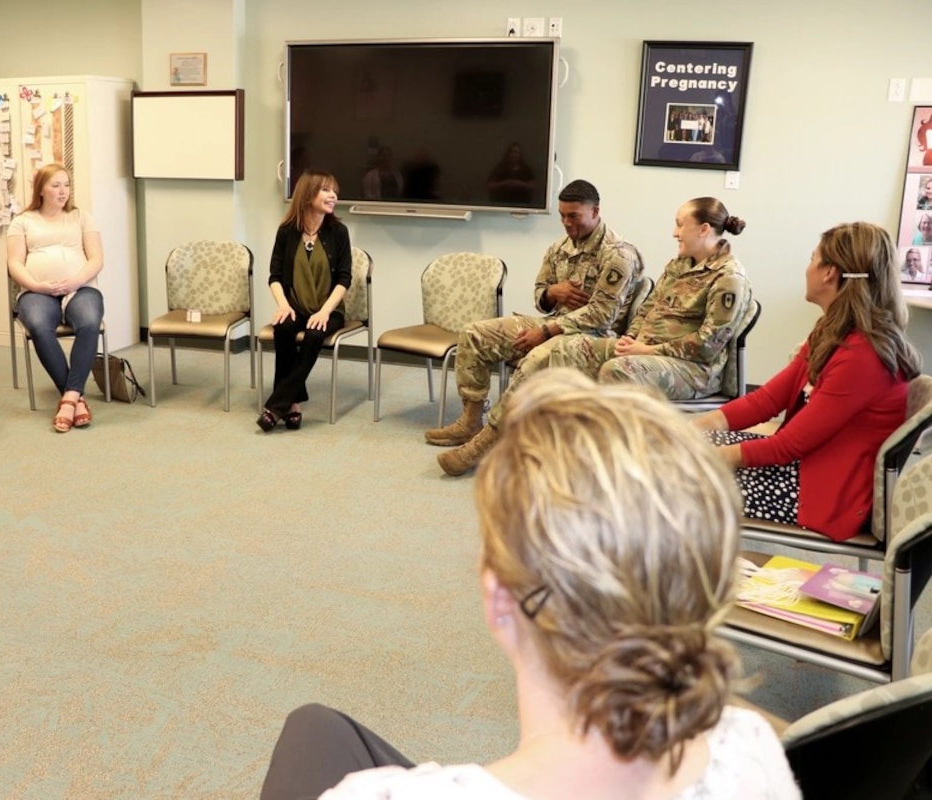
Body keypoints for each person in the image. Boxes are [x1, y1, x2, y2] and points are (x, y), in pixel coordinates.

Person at [259, 369, 800, 800]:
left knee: (312, 730)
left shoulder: (370, 795)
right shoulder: (752, 745)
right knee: (319, 728)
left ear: (499, 597)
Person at [695, 222, 921, 542]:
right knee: (677, 462)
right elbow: (766, 401)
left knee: (678, 481)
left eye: (812, 258)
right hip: (808, 471)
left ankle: (700, 582)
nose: (808, 268)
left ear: (829, 273)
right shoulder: (834, 332)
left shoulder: (862, 355)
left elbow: (787, 446)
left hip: (821, 493)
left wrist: (694, 455)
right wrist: (691, 430)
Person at [430, 179, 644, 475]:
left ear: (595, 211)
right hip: (554, 324)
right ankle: (471, 419)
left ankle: (486, 441)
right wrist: (553, 293)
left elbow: (602, 316)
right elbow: (539, 295)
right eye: (562, 216)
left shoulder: (619, 254)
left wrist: (545, 332)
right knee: (475, 334)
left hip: (594, 337)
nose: (567, 224)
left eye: (574, 216)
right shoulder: (560, 247)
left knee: (536, 356)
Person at [543, 196, 751, 396]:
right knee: (567, 350)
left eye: (680, 225)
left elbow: (707, 344)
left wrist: (649, 350)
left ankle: (616, 432)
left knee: (618, 370)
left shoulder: (728, 277)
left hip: (693, 369)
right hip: (645, 349)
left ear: (704, 229)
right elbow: (648, 308)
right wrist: (631, 338)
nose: (674, 233)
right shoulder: (679, 264)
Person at [6, 163, 104, 433]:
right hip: (37, 290)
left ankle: (69, 399)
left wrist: (76, 280)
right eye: (56, 185)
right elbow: (15, 264)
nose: (63, 191)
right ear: (41, 190)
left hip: (80, 286)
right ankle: (76, 398)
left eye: (66, 185)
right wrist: (37, 285)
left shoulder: (81, 216)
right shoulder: (22, 221)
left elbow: (96, 258)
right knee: (38, 326)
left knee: (89, 322)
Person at [257, 170, 352, 432]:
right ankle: (294, 404)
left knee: (313, 334)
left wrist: (323, 312)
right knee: (283, 327)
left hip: (329, 310)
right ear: (308, 194)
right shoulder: (287, 232)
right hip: (295, 306)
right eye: (326, 190)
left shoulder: (338, 232)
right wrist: (283, 305)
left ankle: (276, 405)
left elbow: (344, 279)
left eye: (334, 191)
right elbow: (274, 277)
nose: (333, 196)